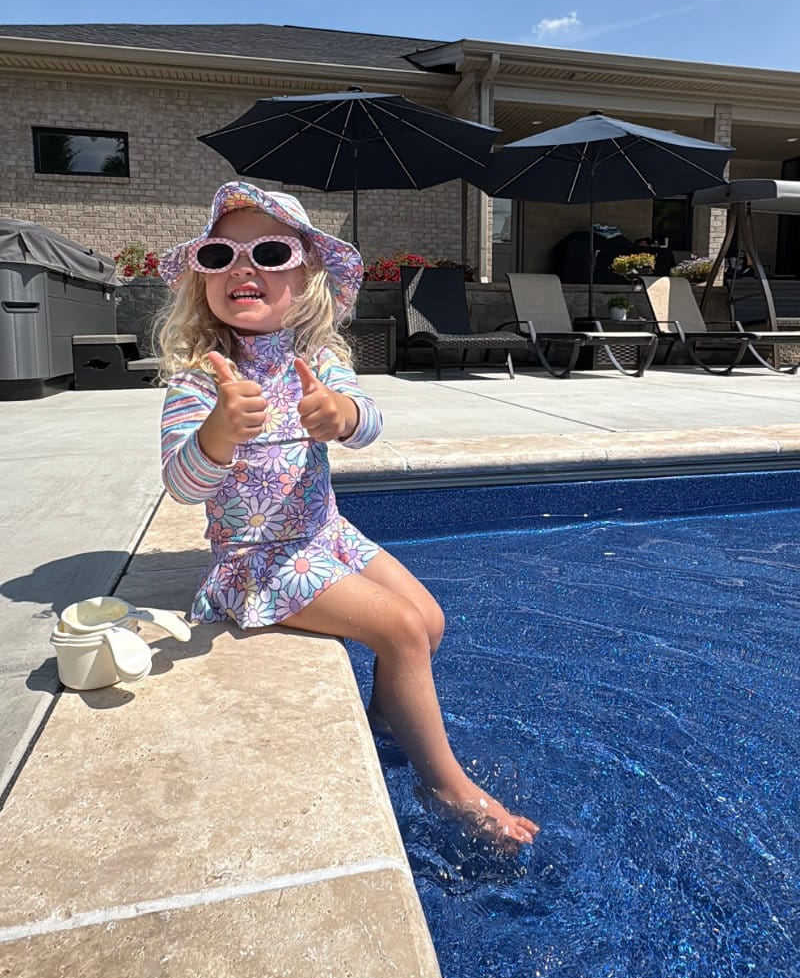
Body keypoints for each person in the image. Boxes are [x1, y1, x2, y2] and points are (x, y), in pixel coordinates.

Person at [157, 181, 538, 847]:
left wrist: (343, 415)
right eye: (221, 256)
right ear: (203, 278)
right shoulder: (199, 374)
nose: (242, 268)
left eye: (268, 252)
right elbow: (183, 484)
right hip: (258, 558)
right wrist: (219, 429)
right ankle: (448, 785)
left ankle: (388, 714)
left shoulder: (321, 358)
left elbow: (370, 422)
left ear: (305, 277)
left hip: (324, 533)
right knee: (396, 627)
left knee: (430, 620)